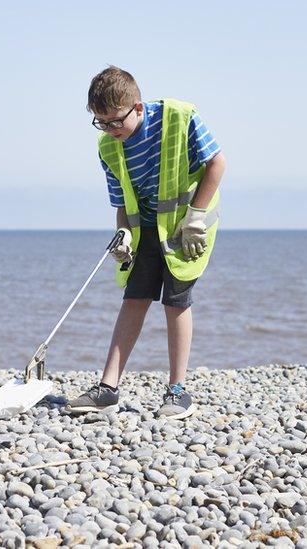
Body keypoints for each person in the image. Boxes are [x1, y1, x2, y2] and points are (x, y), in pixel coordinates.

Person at [66, 66, 226, 419]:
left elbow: (217, 162)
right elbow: (121, 200)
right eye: (100, 122)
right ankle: (108, 388)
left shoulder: (180, 117)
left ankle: (178, 390)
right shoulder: (109, 146)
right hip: (145, 229)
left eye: (114, 121)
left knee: (176, 302)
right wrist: (123, 233)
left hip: (187, 227)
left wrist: (196, 216)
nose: (109, 130)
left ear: (137, 107)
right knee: (134, 298)